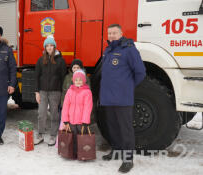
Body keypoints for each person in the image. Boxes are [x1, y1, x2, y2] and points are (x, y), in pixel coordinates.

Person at [100, 24, 146, 173]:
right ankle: (116, 150)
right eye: (109, 33)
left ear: (121, 33)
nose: (111, 35)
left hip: (122, 98)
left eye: (114, 33)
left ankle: (128, 159)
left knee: (125, 129)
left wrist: (128, 86)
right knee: (112, 127)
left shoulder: (129, 49)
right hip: (108, 98)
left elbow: (140, 72)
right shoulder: (108, 50)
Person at [34, 35, 67, 146]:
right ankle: (40, 135)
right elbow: (37, 77)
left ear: (54, 47)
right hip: (42, 91)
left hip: (55, 92)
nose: (49, 47)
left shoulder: (61, 61)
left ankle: (53, 136)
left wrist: (62, 93)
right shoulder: (40, 60)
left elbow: (63, 77)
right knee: (41, 113)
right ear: (45, 47)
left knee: (54, 114)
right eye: (47, 46)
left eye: (51, 45)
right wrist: (37, 92)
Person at [61, 70, 93, 159]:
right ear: (73, 81)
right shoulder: (70, 91)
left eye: (80, 80)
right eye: (76, 80)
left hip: (81, 121)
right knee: (72, 138)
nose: (78, 82)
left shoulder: (87, 92)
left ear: (84, 80)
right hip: (71, 120)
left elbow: (88, 107)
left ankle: (83, 154)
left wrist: (85, 121)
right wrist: (65, 120)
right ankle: (73, 153)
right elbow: (65, 106)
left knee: (81, 138)